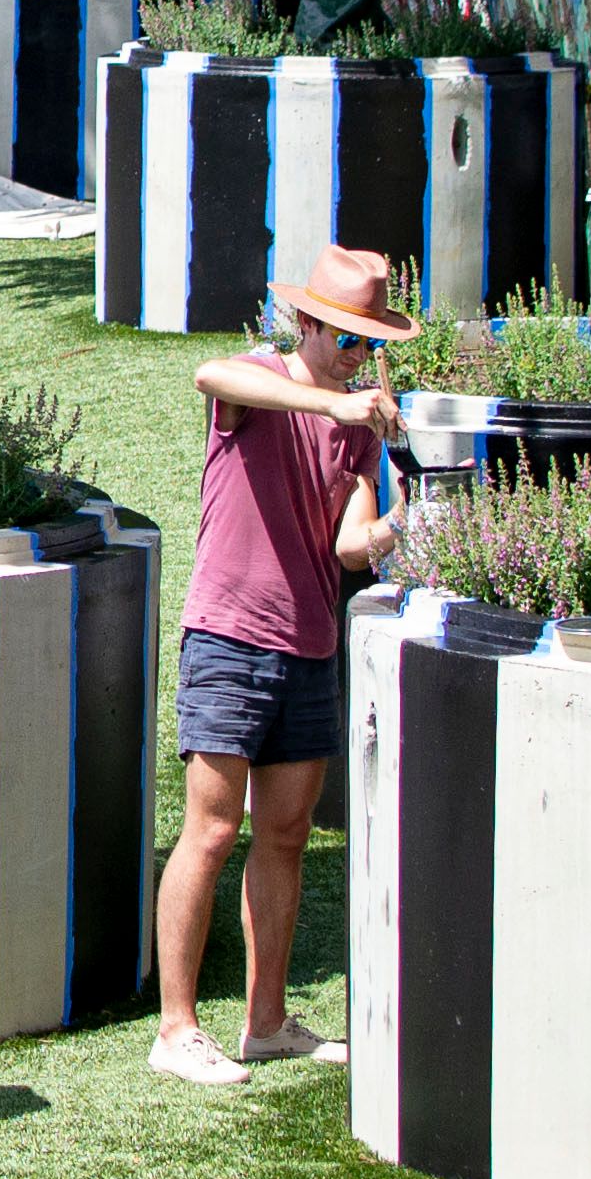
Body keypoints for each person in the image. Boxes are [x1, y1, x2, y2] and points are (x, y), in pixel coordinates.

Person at [154, 243, 408, 1087]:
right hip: (228, 636)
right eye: (345, 337)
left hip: (309, 644)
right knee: (213, 831)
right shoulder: (262, 378)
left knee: (287, 836)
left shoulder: (359, 425)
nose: (357, 356)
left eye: (368, 342)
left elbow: (348, 544)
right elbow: (208, 375)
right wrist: (329, 406)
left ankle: (266, 1023)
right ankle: (177, 1029)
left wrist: (400, 528)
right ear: (307, 323)